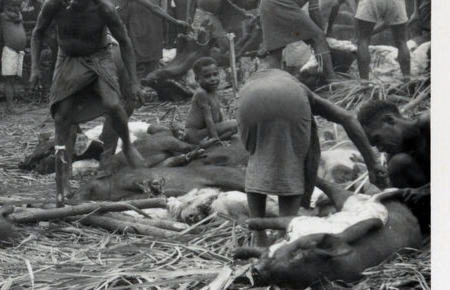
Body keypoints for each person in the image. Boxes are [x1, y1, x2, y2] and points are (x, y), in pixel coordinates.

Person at [31, 0, 146, 206]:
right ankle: (62, 184)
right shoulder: (54, 2)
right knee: (62, 118)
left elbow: (125, 42)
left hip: (99, 56)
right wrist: (33, 68)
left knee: (114, 105)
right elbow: (37, 33)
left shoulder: (104, 8)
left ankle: (125, 145)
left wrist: (134, 82)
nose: (72, 2)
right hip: (68, 59)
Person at [237, 67, 381, 246]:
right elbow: (347, 118)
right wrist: (372, 163)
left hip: (246, 98)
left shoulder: (261, 79)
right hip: (287, 96)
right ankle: (283, 235)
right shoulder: (300, 90)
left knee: (258, 159)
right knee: (292, 165)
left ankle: (258, 238)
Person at [97, 0, 187, 76]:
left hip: (98, 30)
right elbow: (154, 8)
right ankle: (133, 85)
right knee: (125, 64)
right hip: (114, 34)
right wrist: (175, 21)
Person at [256, 0, 335, 79]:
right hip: (282, 1)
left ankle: (275, 83)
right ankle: (331, 79)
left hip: (265, 3)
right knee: (318, 38)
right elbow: (313, 8)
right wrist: (320, 31)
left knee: (276, 50)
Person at [325, 0, 413, 78]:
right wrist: (371, 32)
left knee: (363, 41)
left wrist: (329, 30)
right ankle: (407, 78)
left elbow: (335, 4)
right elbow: (389, 21)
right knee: (401, 41)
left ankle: (365, 83)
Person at [357, 99, 429, 233]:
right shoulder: (396, 154)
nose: (380, 148)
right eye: (375, 146)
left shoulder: (430, 124)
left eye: (378, 139)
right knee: (398, 163)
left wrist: (424, 191)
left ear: (390, 120)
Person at [183, 57, 237, 145]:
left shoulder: (212, 91)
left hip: (205, 131)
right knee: (234, 123)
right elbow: (208, 118)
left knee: (234, 128)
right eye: (207, 76)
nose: (213, 79)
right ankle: (211, 141)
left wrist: (222, 125)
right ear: (197, 79)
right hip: (194, 134)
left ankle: (212, 140)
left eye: (215, 74)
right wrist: (215, 138)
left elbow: (218, 114)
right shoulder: (201, 93)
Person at [0, 0, 27, 114]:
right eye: (13, 5)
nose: (16, 8)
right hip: (10, 51)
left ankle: (10, 105)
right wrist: (13, 11)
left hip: (18, 52)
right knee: (9, 80)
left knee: (13, 79)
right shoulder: (4, 16)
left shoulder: (18, 15)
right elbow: (15, 17)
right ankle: (9, 106)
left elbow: (18, 17)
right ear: (6, 5)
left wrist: (16, 10)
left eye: (18, 5)